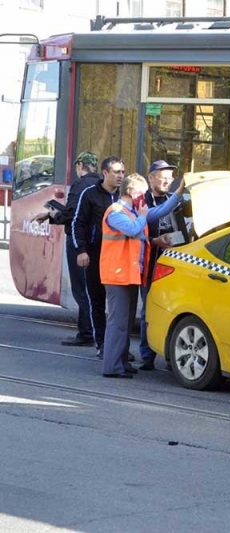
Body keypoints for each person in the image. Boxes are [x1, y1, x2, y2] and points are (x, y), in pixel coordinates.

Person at [34, 151, 102, 346]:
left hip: (78, 243)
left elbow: (70, 215)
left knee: (81, 289)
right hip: (95, 242)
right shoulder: (100, 184)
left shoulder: (80, 185)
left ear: (80, 165)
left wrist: (51, 214)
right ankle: (94, 332)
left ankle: (87, 333)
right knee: (92, 289)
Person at [71, 156, 125, 359]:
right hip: (94, 255)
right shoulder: (90, 194)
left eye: (122, 172)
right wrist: (81, 250)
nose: (120, 176)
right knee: (97, 301)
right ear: (104, 173)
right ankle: (102, 344)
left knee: (119, 304)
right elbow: (78, 223)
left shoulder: (124, 195)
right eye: (116, 172)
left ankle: (119, 347)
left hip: (118, 258)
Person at [99, 173, 151, 378]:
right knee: (118, 323)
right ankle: (112, 367)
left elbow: (138, 236)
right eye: (142, 194)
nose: (144, 198)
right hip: (117, 275)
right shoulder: (116, 211)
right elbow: (131, 231)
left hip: (129, 274)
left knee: (126, 322)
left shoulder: (131, 213)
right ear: (132, 192)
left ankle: (121, 362)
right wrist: (144, 216)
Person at [138, 160, 185, 371]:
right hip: (149, 267)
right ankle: (146, 356)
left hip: (172, 269)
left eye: (170, 178)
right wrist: (157, 241)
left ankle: (169, 358)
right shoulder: (141, 201)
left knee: (172, 311)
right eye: (163, 177)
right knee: (148, 311)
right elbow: (139, 231)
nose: (167, 181)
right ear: (151, 178)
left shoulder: (173, 202)